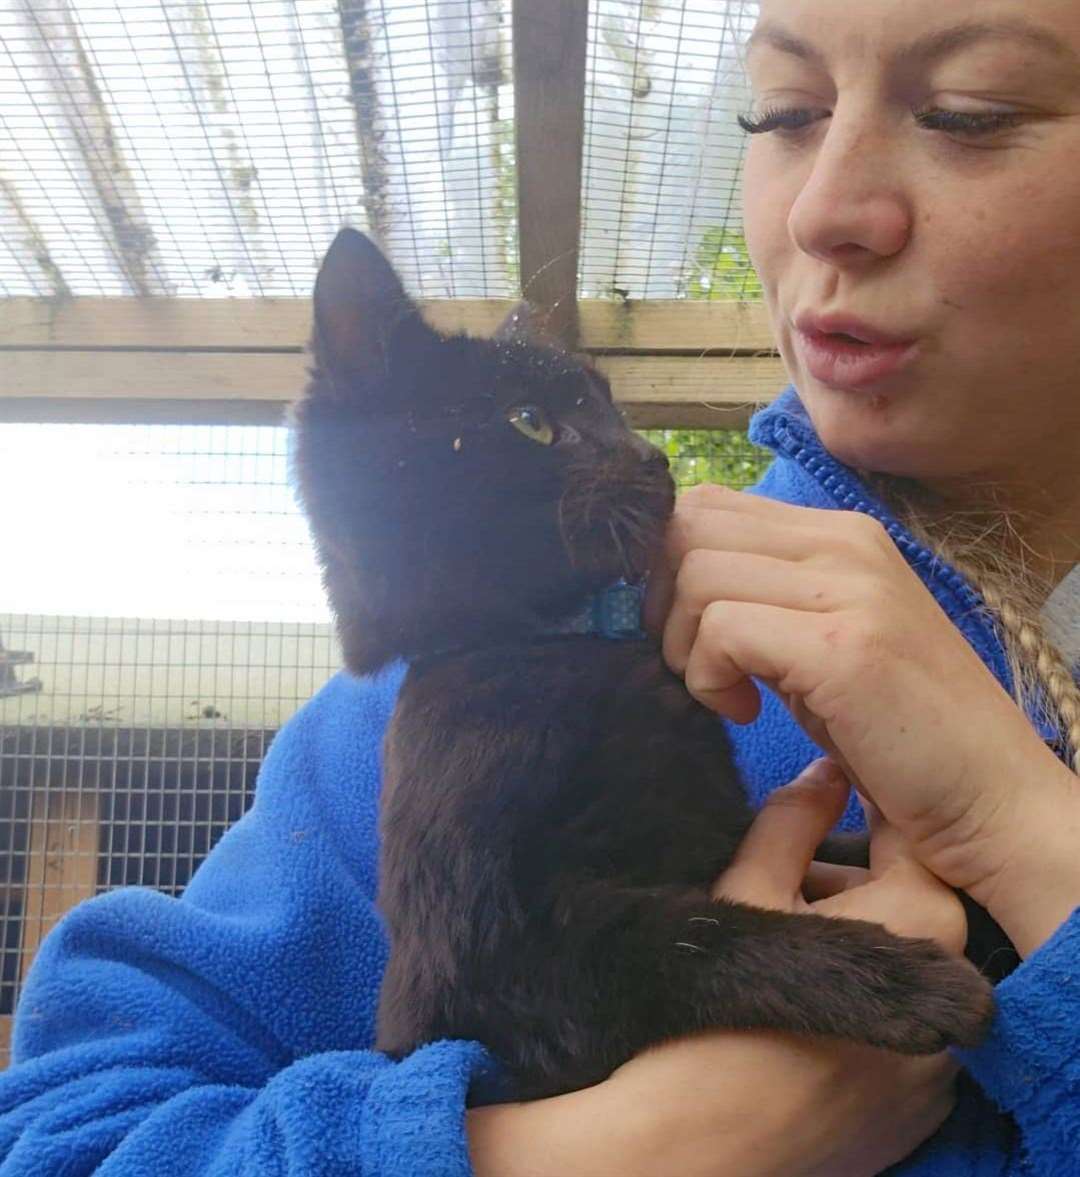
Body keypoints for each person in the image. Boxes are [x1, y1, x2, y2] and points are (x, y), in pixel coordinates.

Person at [3, 0, 1080, 1172]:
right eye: (783, 113)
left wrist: (1029, 841)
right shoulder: (411, 724)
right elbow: (64, 1133)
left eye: (970, 112)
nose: (824, 206)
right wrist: (591, 1150)